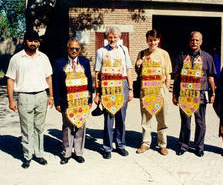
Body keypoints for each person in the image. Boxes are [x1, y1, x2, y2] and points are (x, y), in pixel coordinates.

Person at [6, 30, 54, 168]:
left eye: (36, 41)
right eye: (30, 40)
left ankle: (39, 154)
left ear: (38, 42)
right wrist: (11, 100)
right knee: (27, 128)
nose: (33, 43)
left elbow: (48, 78)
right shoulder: (16, 59)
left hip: (41, 95)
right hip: (24, 96)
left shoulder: (43, 57)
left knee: (39, 127)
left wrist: (50, 96)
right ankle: (27, 156)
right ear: (25, 41)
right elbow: (10, 80)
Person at [172, 31, 216, 157]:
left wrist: (213, 93)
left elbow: (211, 77)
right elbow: (177, 77)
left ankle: (199, 146)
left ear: (201, 42)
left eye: (197, 40)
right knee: (185, 121)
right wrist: (174, 95)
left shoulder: (207, 57)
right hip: (185, 95)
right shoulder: (181, 56)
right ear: (189, 41)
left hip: (200, 95)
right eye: (192, 40)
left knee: (200, 122)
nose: (194, 42)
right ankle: (183, 145)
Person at [94, 26, 133, 159]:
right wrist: (97, 93)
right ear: (106, 38)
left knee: (121, 117)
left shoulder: (124, 50)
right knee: (109, 117)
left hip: (122, 85)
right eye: (110, 37)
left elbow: (128, 69)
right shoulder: (101, 52)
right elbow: (97, 73)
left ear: (119, 38)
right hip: (107, 87)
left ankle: (121, 145)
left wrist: (131, 89)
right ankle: (107, 147)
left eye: (115, 37)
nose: (112, 39)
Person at [53, 38, 93, 164]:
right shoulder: (59, 63)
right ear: (67, 49)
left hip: (82, 101)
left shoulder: (85, 62)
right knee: (67, 127)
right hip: (66, 101)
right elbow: (56, 84)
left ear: (79, 49)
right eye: (71, 48)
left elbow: (90, 82)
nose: (74, 51)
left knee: (80, 126)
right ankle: (67, 153)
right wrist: (57, 102)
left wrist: (90, 99)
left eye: (76, 48)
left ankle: (79, 152)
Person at [135, 29, 172, 155]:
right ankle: (145, 143)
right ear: (147, 40)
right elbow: (138, 73)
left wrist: (166, 90)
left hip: (160, 89)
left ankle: (162, 144)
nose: (152, 42)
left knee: (162, 119)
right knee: (146, 118)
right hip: (146, 90)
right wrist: (138, 65)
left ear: (158, 40)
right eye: (150, 40)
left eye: (155, 40)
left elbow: (168, 74)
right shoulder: (141, 54)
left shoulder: (164, 54)